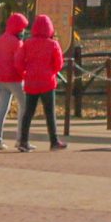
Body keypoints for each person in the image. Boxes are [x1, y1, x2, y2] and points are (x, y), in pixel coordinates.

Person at [18, 12, 66, 152]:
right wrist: (52, 71)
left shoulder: (27, 43)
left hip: (31, 81)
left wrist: (24, 72)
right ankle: (54, 140)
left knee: (28, 112)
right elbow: (59, 63)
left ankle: (23, 140)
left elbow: (19, 60)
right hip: (47, 82)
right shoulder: (52, 44)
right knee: (50, 112)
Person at [0, 11, 29, 151]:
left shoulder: (1, 40)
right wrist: (24, 74)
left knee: (2, 110)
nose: (23, 31)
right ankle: (20, 140)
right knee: (24, 108)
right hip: (15, 79)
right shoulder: (17, 43)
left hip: (1, 79)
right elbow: (19, 63)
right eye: (22, 28)